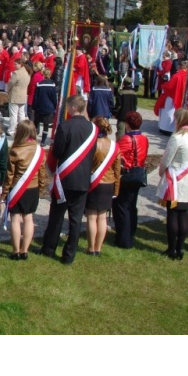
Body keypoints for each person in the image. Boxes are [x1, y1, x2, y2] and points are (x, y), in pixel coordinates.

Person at [40, 94, 98, 265]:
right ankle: (69, 255)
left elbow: (57, 152)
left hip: (65, 179)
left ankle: (49, 249)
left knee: (56, 216)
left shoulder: (65, 127)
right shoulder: (93, 128)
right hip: (82, 180)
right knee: (76, 219)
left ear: (73, 108)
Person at [157, 108, 188, 260]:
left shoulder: (177, 138)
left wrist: (161, 171)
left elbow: (166, 159)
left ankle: (172, 249)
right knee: (182, 215)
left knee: (173, 215)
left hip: (175, 180)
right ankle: (180, 248)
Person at [1, 119, 48, 260]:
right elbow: (42, 173)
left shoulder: (15, 151)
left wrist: (4, 193)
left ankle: (15, 251)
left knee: (15, 219)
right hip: (32, 189)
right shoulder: (40, 151)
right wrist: (41, 190)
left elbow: (9, 176)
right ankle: (24, 250)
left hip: (17, 189)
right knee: (28, 218)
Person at [84, 116, 121, 256]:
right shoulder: (114, 146)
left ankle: (90, 247)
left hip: (94, 183)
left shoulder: (92, 144)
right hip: (108, 184)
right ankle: (98, 248)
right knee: (102, 218)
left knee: (92, 217)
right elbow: (117, 170)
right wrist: (116, 189)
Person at [112, 111, 149, 249]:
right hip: (138, 173)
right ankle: (131, 232)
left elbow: (116, 155)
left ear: (127, 124)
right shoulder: (144, 139)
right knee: (131, 205)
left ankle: (123, 239)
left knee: (122, 207)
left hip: (127, 175)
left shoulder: (126, 140)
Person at [6, 57, 30, 137]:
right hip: (23, 95)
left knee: (13, 114)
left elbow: (11, 83)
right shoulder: (27, 72)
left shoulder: (16, 73)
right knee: (21, 114)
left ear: (20, 64)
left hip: (15, 95)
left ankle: (11, 130)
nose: (14, 65)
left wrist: (7, 90)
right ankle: (22, 129)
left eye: (16, 64)